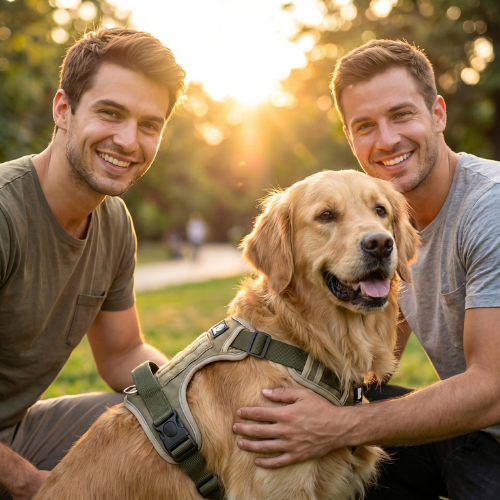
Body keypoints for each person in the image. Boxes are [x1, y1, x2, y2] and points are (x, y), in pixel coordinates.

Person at [233, 39, 500, 499]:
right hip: (469, 432)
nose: (387, 139)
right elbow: (375, 354)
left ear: (438, 114)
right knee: (291, 428)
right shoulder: (384, 219)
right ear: (351, 137)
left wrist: (337, 426)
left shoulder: (488, 209)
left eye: (402, 115)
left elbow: (492, 387)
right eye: (365, 126)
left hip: (491, 426)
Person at [0, 28, 185, 500]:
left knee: (144, 428)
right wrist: (33, 484)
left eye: (150, 124)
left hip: (14, 432)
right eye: (110, 113)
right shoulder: (5, 214)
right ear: (63, 110)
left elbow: (123, 354)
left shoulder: (114, 222)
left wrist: (192, 395)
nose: (128, 140)